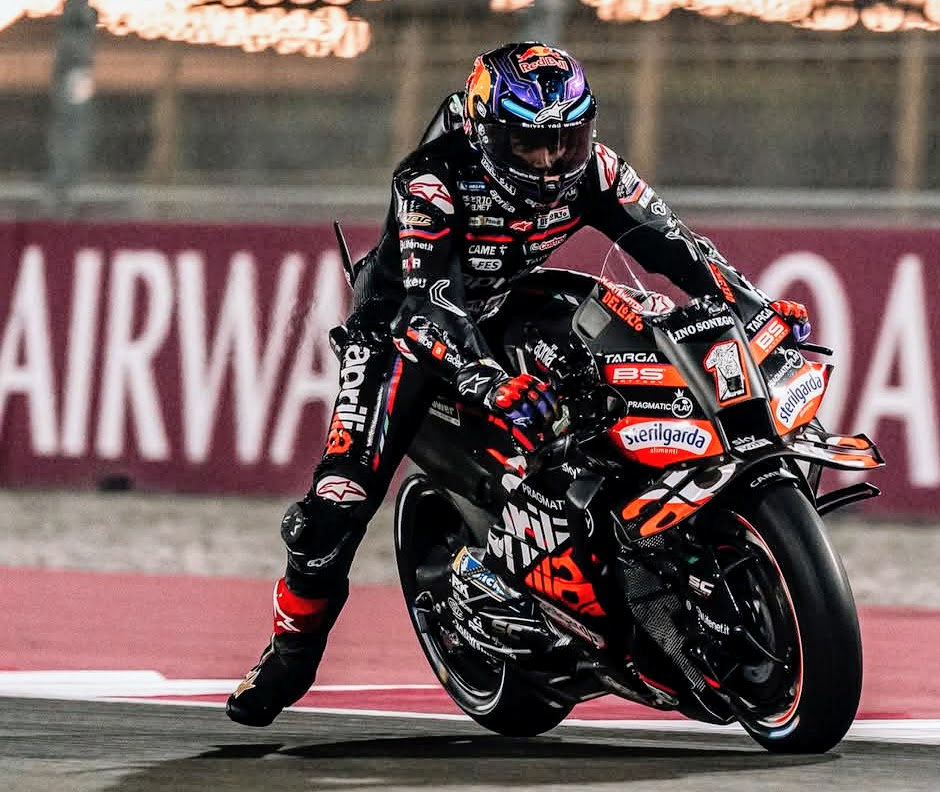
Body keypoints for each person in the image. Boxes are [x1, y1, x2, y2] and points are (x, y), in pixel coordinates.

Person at [225, 41, 810, 727]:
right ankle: (289, 655)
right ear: (485, 134)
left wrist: (751, 306)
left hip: (507, 302)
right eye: (530, 144)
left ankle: (645, 526)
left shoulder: (596, 171)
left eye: (567, 141)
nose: (551, 163)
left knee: (636, 334)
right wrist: (488, 383)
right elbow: (430, 307)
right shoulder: (430, 182)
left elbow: (676, 245)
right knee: (334, 506)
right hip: (402, 336)